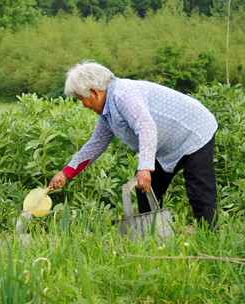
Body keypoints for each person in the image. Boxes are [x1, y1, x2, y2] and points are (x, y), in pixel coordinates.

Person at [48, 61, 218, 228]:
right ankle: (153, 237)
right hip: (165, 144)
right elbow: (96, 144)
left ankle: (210, 239)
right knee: (143, 188)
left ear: (94, 92)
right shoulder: (107, 112)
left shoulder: (123, 94)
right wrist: (66, 173)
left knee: (199, 192)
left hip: (193, 132)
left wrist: (145, 168)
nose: (83, 105)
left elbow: (146, 127)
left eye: (81, 99)